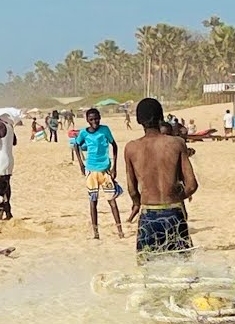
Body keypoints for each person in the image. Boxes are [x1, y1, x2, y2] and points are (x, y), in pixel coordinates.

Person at [124, 98, 197, 262]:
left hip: (148, 215)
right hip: (174, 212)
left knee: (147, 267)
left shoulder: (131, 148)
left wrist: (137, 203)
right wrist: (176, 197)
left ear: (138, 120)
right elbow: (192, 185)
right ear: (161, 117)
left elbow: (132, 189)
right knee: (183, 267)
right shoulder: (176, 143)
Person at [72, 108, 123, 239]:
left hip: (105, 170)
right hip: (91, 170)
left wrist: (115, 167)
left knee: (112, 201)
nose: (94, 121)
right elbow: (76, 145)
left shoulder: (105, 130)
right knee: (93, 202)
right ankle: (96, 232)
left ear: (100, 117)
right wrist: (81, 164)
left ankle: (120, 230)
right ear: (87, 120)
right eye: (91, 119)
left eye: (96, 118)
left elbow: (115, 146)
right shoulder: (83, 133)